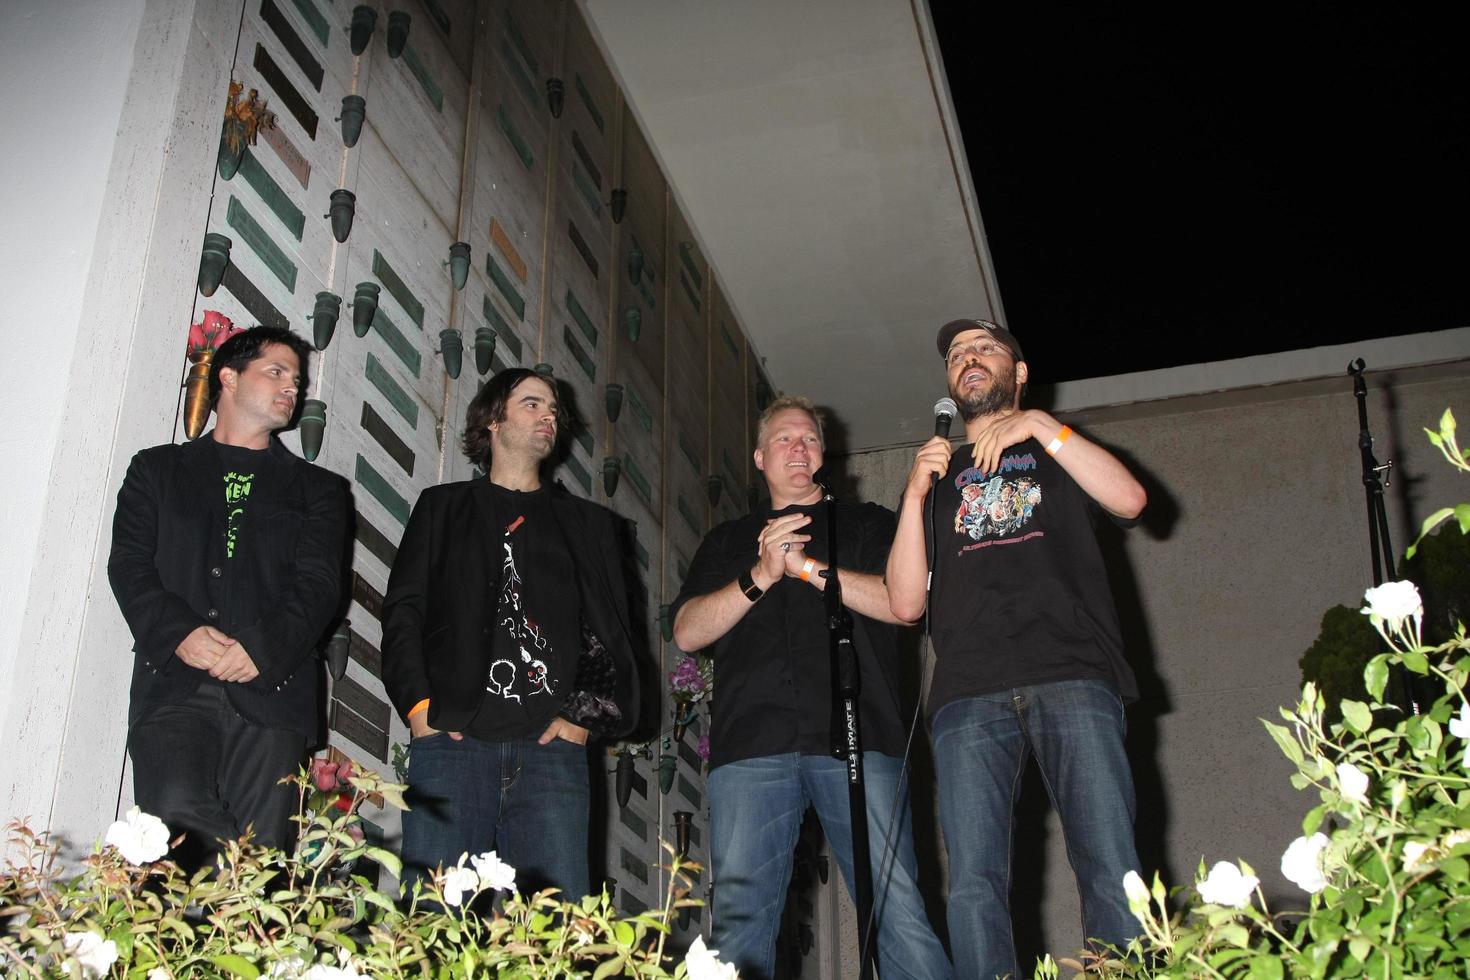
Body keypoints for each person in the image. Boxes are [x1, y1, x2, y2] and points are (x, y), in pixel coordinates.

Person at [887, 318, 1149, 978]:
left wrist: (1040, 428)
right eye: (955, 355)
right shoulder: (937, 479)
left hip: (1073, 673)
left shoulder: (1054, 450)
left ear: (1019, 372)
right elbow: (903, 603)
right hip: (968, 692)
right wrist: (914, 494)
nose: (968, 359)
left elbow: (1131, 499)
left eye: (985, 349)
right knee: (975, 886)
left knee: (1110, 866)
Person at [672, 396, 951, 980]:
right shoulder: (729, 541)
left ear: (823, 454)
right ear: (759, 457)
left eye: (809, 440)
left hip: (859, 739)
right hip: (751, 746)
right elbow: (688, 632)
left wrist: (805, 570)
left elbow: (904, 607)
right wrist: (761, 575)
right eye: (783, 439)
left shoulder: (868, 522)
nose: (798, 449)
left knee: (897, 911)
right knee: (738, 927)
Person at [382, 367, 641, 901]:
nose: (549, 415)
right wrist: (418, 708)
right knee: (434, 922)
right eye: (532, 403)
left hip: (552, 753)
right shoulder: (442, 507)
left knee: (554, 933)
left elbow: (612, 631)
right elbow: (405, 612)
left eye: (553, 409)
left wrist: (581, 719)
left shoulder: (591, 526)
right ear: (493, 420)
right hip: (451, 744)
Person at [108, 326, 348, 868]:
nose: (293, 388)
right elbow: (128, 565)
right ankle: (253, 903)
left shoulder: (320, 491)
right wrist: (180, 633)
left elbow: (319, 588)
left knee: (262, 846)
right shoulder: (157, 470)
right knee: (173, 815)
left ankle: (246, 920)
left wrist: (261, 648)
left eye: (298, 379)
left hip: (273, 691)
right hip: (174, 685)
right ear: (229, 377)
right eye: (277, 372)